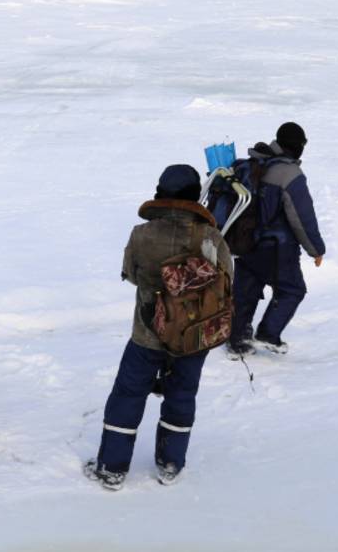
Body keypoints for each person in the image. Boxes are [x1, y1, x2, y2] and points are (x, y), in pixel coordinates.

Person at [85, 165, 233, 491]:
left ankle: (112, 469)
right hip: (193, 337)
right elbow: (227, 281)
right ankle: (170, 464)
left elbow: (131, 275)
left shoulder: (141, 235)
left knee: (127, 395)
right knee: (181, 396)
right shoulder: (211, 237)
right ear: (196, 194)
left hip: (147, 335)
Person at [227, 122, 325, 356]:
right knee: (292, 290)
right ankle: (268, 334)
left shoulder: (250, 164)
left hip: (244, 242)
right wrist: (316, 249)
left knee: (245, 292)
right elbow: (302, 218)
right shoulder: (290, 174)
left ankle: (237, 340)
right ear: (298, 146)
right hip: (276, 248)